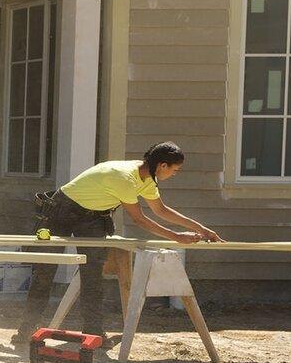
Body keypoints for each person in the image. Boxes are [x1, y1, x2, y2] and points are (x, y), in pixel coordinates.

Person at [15, 142, 221, 345]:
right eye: (175, 170)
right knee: (45, 269)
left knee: (93, 274)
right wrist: (176, 237)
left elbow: (161, 210)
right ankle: (26, 329)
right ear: (163, 165)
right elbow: (139, 219)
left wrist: (201, 229)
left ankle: (93, 332)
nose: (175, 174)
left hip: (94, 217)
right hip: (63, 208)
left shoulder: (147, 178)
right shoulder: (125, 177)